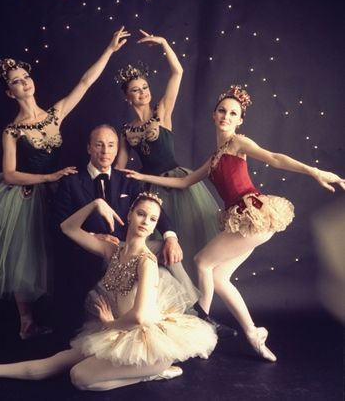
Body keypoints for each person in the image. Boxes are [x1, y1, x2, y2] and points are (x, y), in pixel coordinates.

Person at [120, 85, 345, 361]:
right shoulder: (214, 158)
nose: (226, 116)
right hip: (240, 220)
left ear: (239, 120)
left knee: (202, 261)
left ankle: (201, 320)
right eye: (222, 111)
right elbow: (182, 181)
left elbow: (274, 158)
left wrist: (314, 171)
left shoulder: (239, 143)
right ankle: (254, 334)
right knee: (218, 277)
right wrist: (142, 177)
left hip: (254, 214)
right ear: (214, 116)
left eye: (233, 113)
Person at [0, 27, 130, 340]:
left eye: (26, 76)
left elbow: (85, 82)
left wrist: (109, 49)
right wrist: (49, 177)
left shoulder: (54, 115)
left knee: (27, 256)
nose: (25, 82)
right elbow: (10, 173)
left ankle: (26, 323)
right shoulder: (12, 130)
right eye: (16, 81)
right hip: (21, 194)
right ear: (9, 93)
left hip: (52, 193)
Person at [0, 193, 218, 390]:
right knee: (57, 361)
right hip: (118, 331)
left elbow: (141, 318)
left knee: (80, 378)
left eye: (153, 219)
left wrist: (109, 324)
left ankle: (151, 373)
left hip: (146, 342)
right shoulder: (113, 249)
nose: (146, 222)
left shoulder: (147, 262)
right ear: (129, 214)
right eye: (142, 214)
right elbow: (67, 228)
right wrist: (96, 204)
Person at [54, 124, 199, 332]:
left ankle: (195, 312)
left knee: (166, 250)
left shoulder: (127, 180)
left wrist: (171, 237)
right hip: (98, 251)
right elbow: (60, 225)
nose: (105, 151)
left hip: (132, 246)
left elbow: (151, 207)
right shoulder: (72, 182)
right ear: (88, 148)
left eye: (111, 145)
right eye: (99, 145)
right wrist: (96, 235)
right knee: (154, 271)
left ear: (116, 149)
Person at [114, 30, 220, 292]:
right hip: (151, 189)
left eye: (145, 87)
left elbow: (178, 73)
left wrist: (163, 43)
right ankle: (173, 301)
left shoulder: (162, 111)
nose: (142, 93)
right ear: (127, 97)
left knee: (190, 242)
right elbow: (119, 167)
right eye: (135, 91)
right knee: (160, 247)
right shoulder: (126, 130)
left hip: (177, 181)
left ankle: (199, 306)